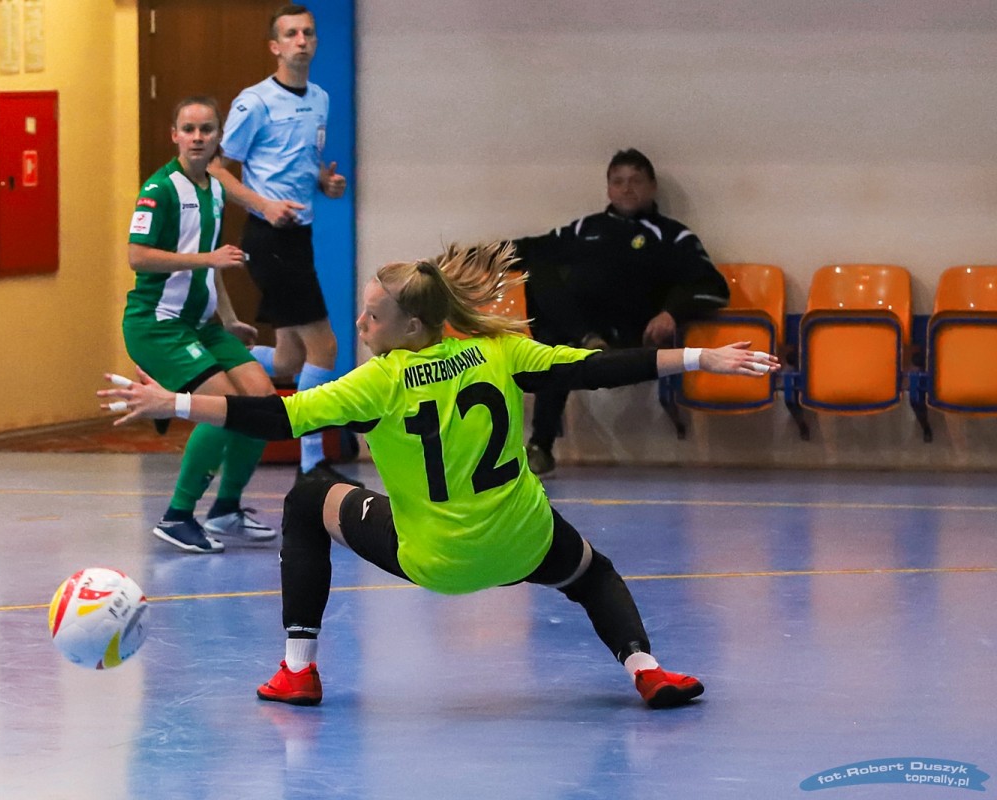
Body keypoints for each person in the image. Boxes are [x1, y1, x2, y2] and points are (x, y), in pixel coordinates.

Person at [100, 242, 779, 708]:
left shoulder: (378, 382)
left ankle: (297, 672)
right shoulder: (499, 350)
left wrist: (173, 402)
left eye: (373, 315)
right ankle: (648, 671)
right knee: (591, 572)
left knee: (308, 498)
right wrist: (702, 358)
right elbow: (597, 369)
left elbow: (276, 417)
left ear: (411, 326)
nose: (360, 322)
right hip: (524, 541)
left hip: (436, 559)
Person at [507, 148, 730, 476]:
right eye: (618, 181)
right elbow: (530, 248)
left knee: (556, 349)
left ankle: (583, 348)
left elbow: (713, 287)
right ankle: (541, 446)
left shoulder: (672, 236)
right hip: (579, 334)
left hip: (631, 335)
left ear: (652, 187)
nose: (627, 189)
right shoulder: (585, 229)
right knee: (539, 269)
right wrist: (469, 259)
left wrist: (671, 313)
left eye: (635, 181)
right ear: (608, 188)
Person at [209, 3, 360, 487]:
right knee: (326, 347)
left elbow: (302, 162)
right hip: (268, 236)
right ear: (275, 46)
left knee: (291, 360)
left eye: (308, 33)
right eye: (291, 34)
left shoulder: (320, 98)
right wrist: (264, 204)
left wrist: (325, 183)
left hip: (300, 234)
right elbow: (216, 167)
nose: (301, 41)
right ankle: (311, 463)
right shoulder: (255, 102)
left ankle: (214, 358)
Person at [122, 95, 279, 554]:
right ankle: (177, 516)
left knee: (264, 404)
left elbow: (211, 267)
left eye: (206, 129)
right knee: (223, 407)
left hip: (202, 325)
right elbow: (138, 256)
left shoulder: (213, 189)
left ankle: (226, 508)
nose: (197, 137)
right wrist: (207, 259)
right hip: (158, 325)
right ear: (174, 135)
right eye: (188, 129)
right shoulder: (159, 190)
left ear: (218, 138)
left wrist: (229, 319)